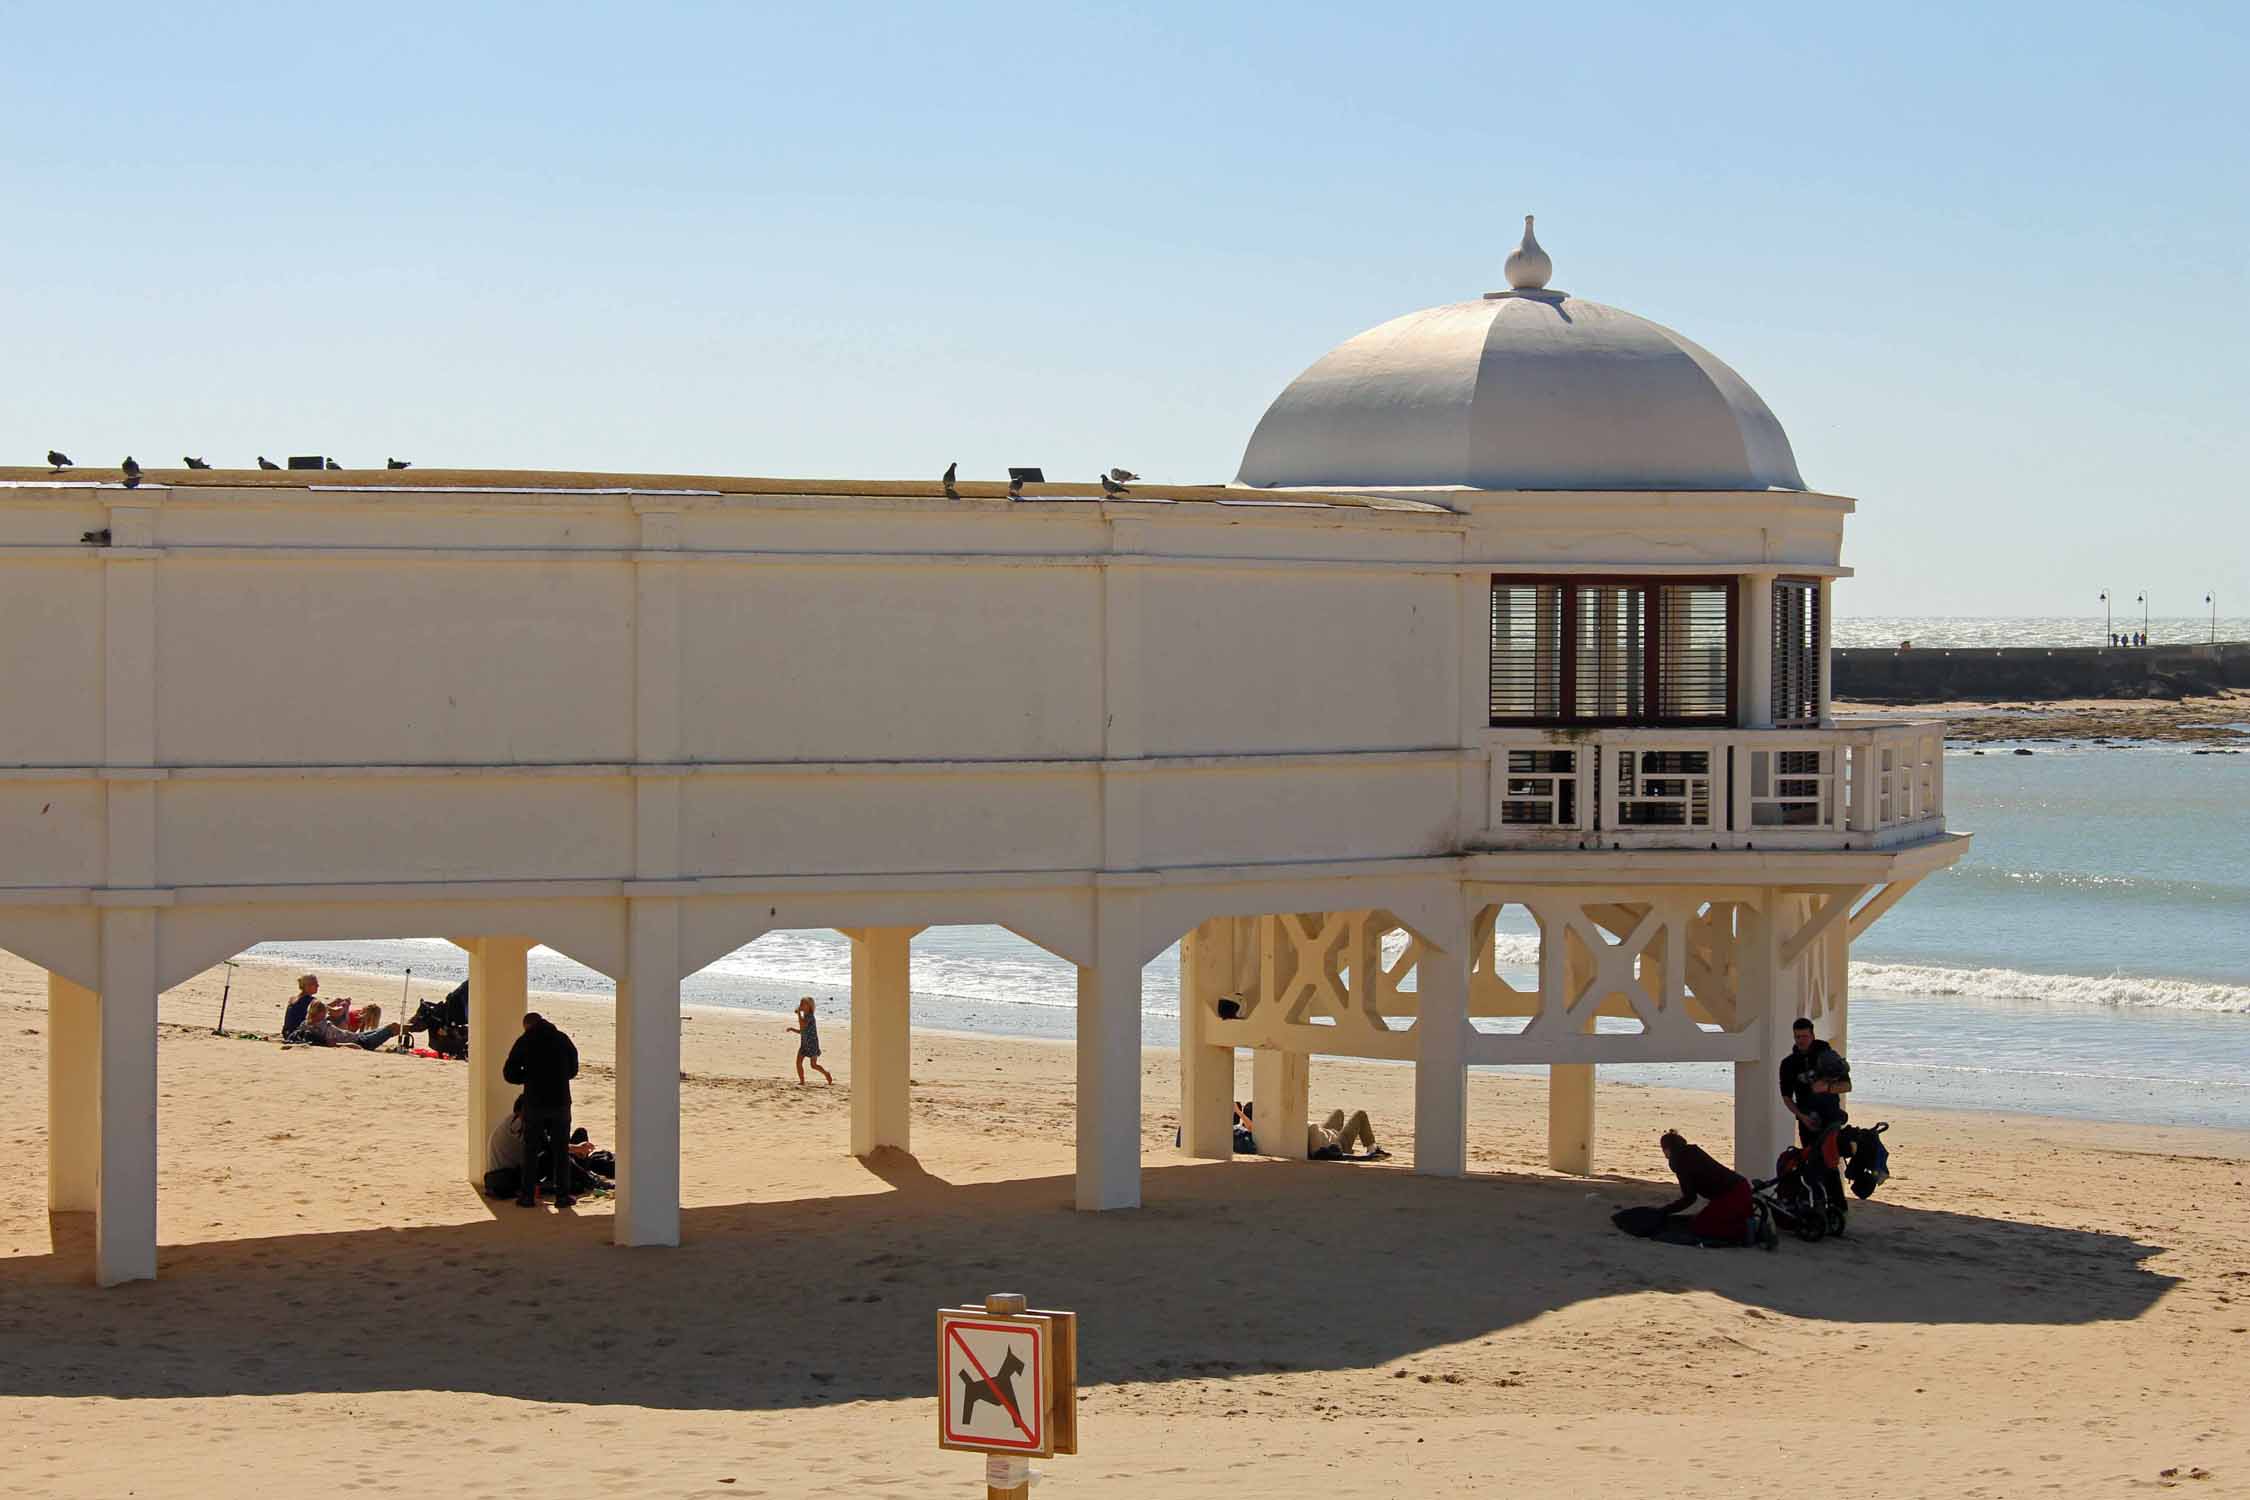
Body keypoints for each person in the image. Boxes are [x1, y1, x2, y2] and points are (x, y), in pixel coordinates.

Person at [502, 1012, 580, 1208]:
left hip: (535, 1103)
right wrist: (559, 1077)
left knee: (531, 1150)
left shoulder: (525, 1041)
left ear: (527, 1026)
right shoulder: (562, 1039)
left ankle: (527, 1196)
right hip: (560, 1102)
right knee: (560, 1151)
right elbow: (573, 1070)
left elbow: (509, 1074)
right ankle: (562, 1196)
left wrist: (527, 1078)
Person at [1778, 1017, 1852, 1214]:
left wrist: (1827, 1087)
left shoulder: (1827, 1056)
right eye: (1797, 1037)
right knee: (1810, 1164)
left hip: (1830, 1118)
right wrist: (1801, 1117)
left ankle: (1837, 1208)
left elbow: (1847, 1085)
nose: (1801, 1040)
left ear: (1812, 1035)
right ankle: (1816, 1206)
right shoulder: (1788, 1064)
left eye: (1804, 1036)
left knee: (1829, 1163)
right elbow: (1786, 1097)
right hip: (1807, 1121)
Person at [1655, 1130, 1756, 1243]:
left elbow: (1690, 1198)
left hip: (1731, 1194)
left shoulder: (1679, 1161)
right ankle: (1749, 1228)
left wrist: (1664, 1211)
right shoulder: (1693, 1152)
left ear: (1667, 1149)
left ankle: (1748, 1232)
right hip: (1740, 1187)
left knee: (1703, 1227)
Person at [287, 999, 402, 1050]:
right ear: (319, 1014)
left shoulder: (305, 1024)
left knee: (393, 1027)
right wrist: (351, 1045)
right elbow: (333, 1044)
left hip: (357, 1037)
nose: (326, 1016)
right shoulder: (324, 1026)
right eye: (324, 1013)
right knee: (393, 1027)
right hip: (361, 1042)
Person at [1307, 1108, 1388, 1161]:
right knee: (1360, 1114)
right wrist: (1363, 1158)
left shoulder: (1307, 1127)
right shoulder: (1315, 1147)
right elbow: (1323, 1155)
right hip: (1339, 1143)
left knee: (1338, 1112)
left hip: (1324, 1132)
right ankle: (1373, 1149)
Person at [788, 996, 833, 1085]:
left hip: (812, 1044)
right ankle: (802, 1081)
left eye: (803, 1004)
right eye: (800, 1004)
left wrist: (798, 1014)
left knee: (813, 1065)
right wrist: (792, 1029)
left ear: (809, 1006)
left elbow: (802, 1025)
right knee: (798, 1062)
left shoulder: (810, 1017)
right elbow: (802, 1031)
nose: (801, 1006)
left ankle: (826, 1073)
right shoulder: (805, 1016)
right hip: (804, 1043)